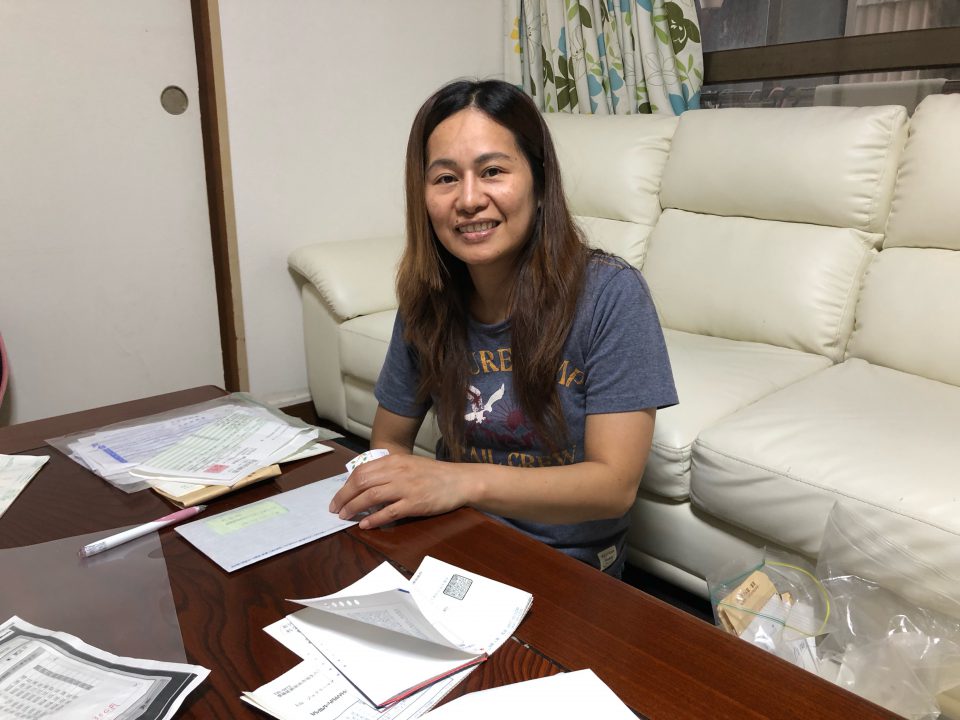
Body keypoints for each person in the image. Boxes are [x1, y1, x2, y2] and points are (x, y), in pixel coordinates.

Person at [329, 78, 677, 577]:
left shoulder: (610, 294)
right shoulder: (428, 296)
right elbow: (389, 439)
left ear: (539, 181)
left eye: (492, 171)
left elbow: (613, 487)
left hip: (568, 564)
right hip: (453, 535)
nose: (469, 199)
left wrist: (457, 482)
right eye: (445, 178)